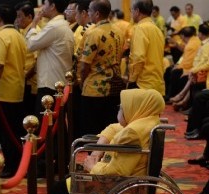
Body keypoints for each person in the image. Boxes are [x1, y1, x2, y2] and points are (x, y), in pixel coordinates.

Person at [2, 88, 165, 194]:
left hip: (119, 187)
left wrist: (92, 166)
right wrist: (96, 152)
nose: (119, 109)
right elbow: (114, 128)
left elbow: (115, 173)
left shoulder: (132, 133)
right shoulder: (145, 123)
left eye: (122, 107)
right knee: (64, 186)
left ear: (136, 108)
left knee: (61, 190)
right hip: (131, 184)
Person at [0, 4, 27, 178]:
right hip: (17, 88)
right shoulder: (18, 35)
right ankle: (17, 163)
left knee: (5, 132)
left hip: (4, 91)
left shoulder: (1, 36)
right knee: (15, 131)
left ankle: (11, 166)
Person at [78, 0, 123, 136]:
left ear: (97, 14)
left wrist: (81, 81)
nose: (89, 14)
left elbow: (85, 65)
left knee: (93, 130)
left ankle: (94, 157)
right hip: (115, 86)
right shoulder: (118, 31)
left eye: (90, 11)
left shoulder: (94, 33)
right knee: (110, 129)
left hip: (95, 89)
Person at [25, 0, 74, 117]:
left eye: (45, 4)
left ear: (53, 6)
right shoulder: (63, 24)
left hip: (50, 83)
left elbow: (31, 45)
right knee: (57, 125)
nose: (42, 7)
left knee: (47, 125)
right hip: (58, 80)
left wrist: (34, 24)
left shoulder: (54, 26)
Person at [128, 0, 165, 96]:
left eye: (131, 10)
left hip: (143, 83)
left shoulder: (140, 28)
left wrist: (131, 80)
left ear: (137, 11)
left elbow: (138, 57)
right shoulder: (156, 29)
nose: (131, 13)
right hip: (157, 82)